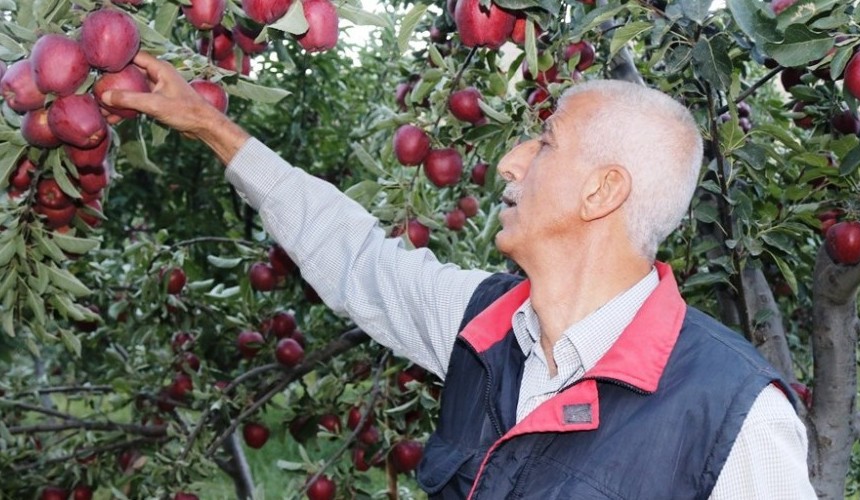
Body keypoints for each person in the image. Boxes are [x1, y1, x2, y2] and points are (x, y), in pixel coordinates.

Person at [103, 52, 817, 499]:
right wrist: (212, 127)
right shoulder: (483, 325)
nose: (508, 162)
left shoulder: (734, 417)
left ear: (602, 193)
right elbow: (355, 259)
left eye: (545, 143)